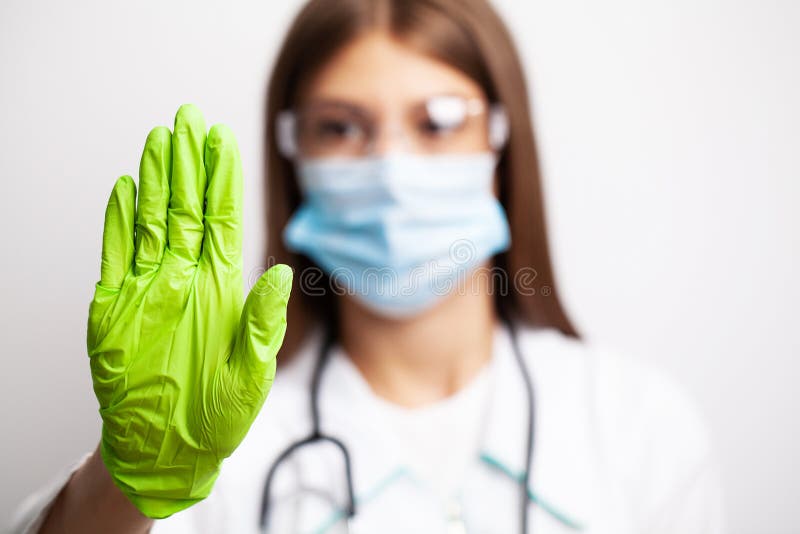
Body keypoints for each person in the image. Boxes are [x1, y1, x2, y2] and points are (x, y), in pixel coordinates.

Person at [8, 0, 723, 533]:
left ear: (503, 142)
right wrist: (130, 482)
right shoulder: (214, 438)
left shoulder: (637, 428)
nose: (391, 165)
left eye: (439, 121)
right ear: (294, 154)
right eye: (341, 127)